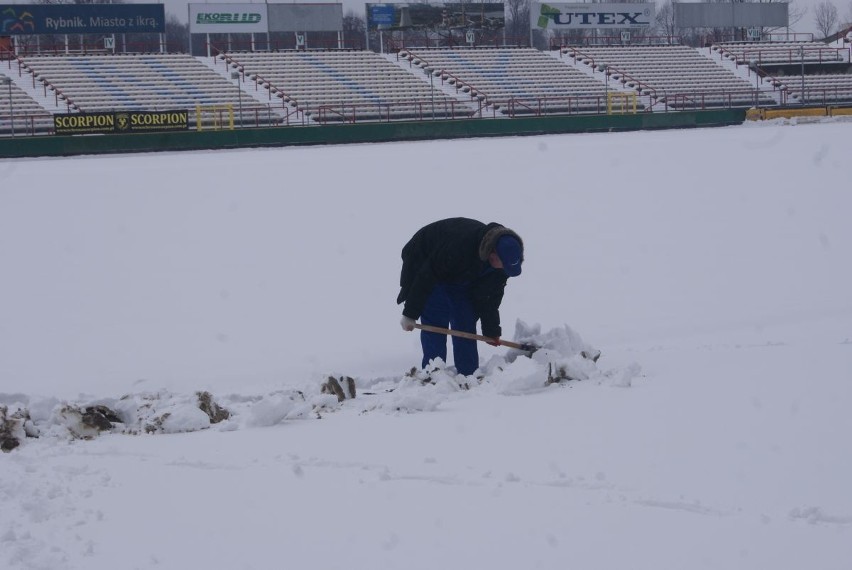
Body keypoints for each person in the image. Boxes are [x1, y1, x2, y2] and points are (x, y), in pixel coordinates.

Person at [397, 217, 524, 377]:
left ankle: (468, 375)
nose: (505, 270)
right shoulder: (460, 246)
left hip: (460, 273)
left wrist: (490, 330)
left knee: (465, 319)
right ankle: (434, 375)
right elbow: (426, 277)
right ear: (493, 254)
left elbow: (489, 297)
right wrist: (410, 314)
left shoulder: (502, 264)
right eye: (503, 265)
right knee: (436, 318)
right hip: (426, 262)